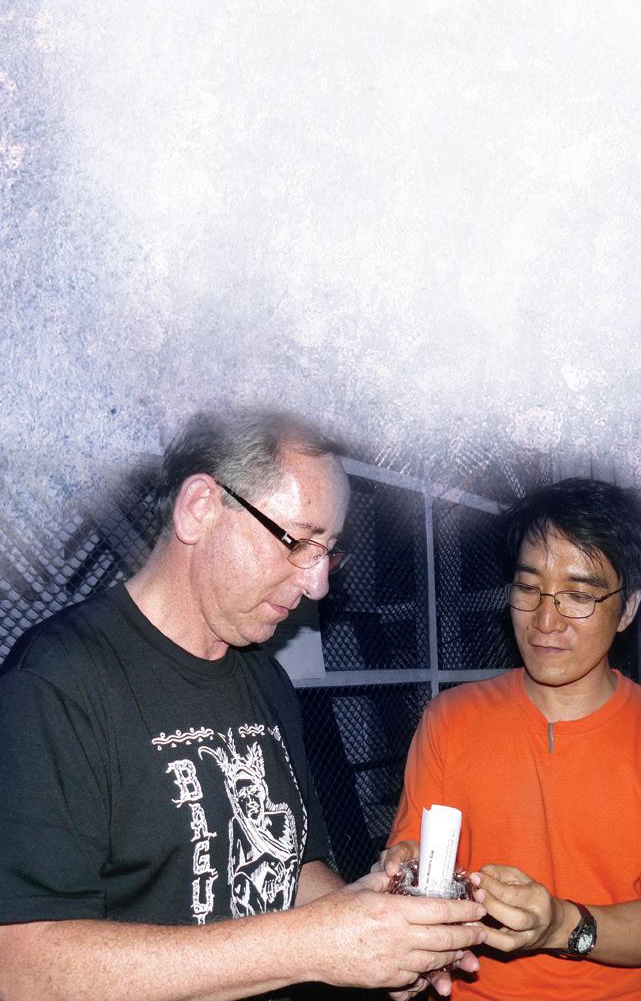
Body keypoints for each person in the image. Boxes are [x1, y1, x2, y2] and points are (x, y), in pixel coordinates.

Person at [0, 407, 484, 1001]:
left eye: (328, 552)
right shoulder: (55, 683)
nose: (317, 584)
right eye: (298, 542)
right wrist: (315, 943)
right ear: (200, 507)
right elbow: (20, 968)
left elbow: (291, 871)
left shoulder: (266, 677)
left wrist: (382, 929)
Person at [384, 477, 641, 1000]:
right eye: (529, 589)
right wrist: (403, 878)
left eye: (579, 596)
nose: (545, 620)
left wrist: (560, 925)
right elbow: (414, 853)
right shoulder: (450, 718)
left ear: (628, 608)